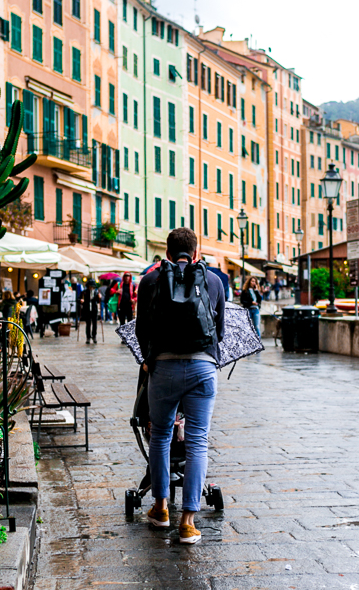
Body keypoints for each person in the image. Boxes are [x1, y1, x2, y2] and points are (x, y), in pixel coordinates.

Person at [135, 227, 225, 545]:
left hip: (164, 367)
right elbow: (221, 331)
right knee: (198, 441)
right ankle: (187, 523)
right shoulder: (213, 280)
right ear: (196, 254)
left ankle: (160, 509)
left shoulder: (150, 280)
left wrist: (148, 359)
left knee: (160, 436)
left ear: (168, 254)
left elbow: (141, 328)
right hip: (203, 367)